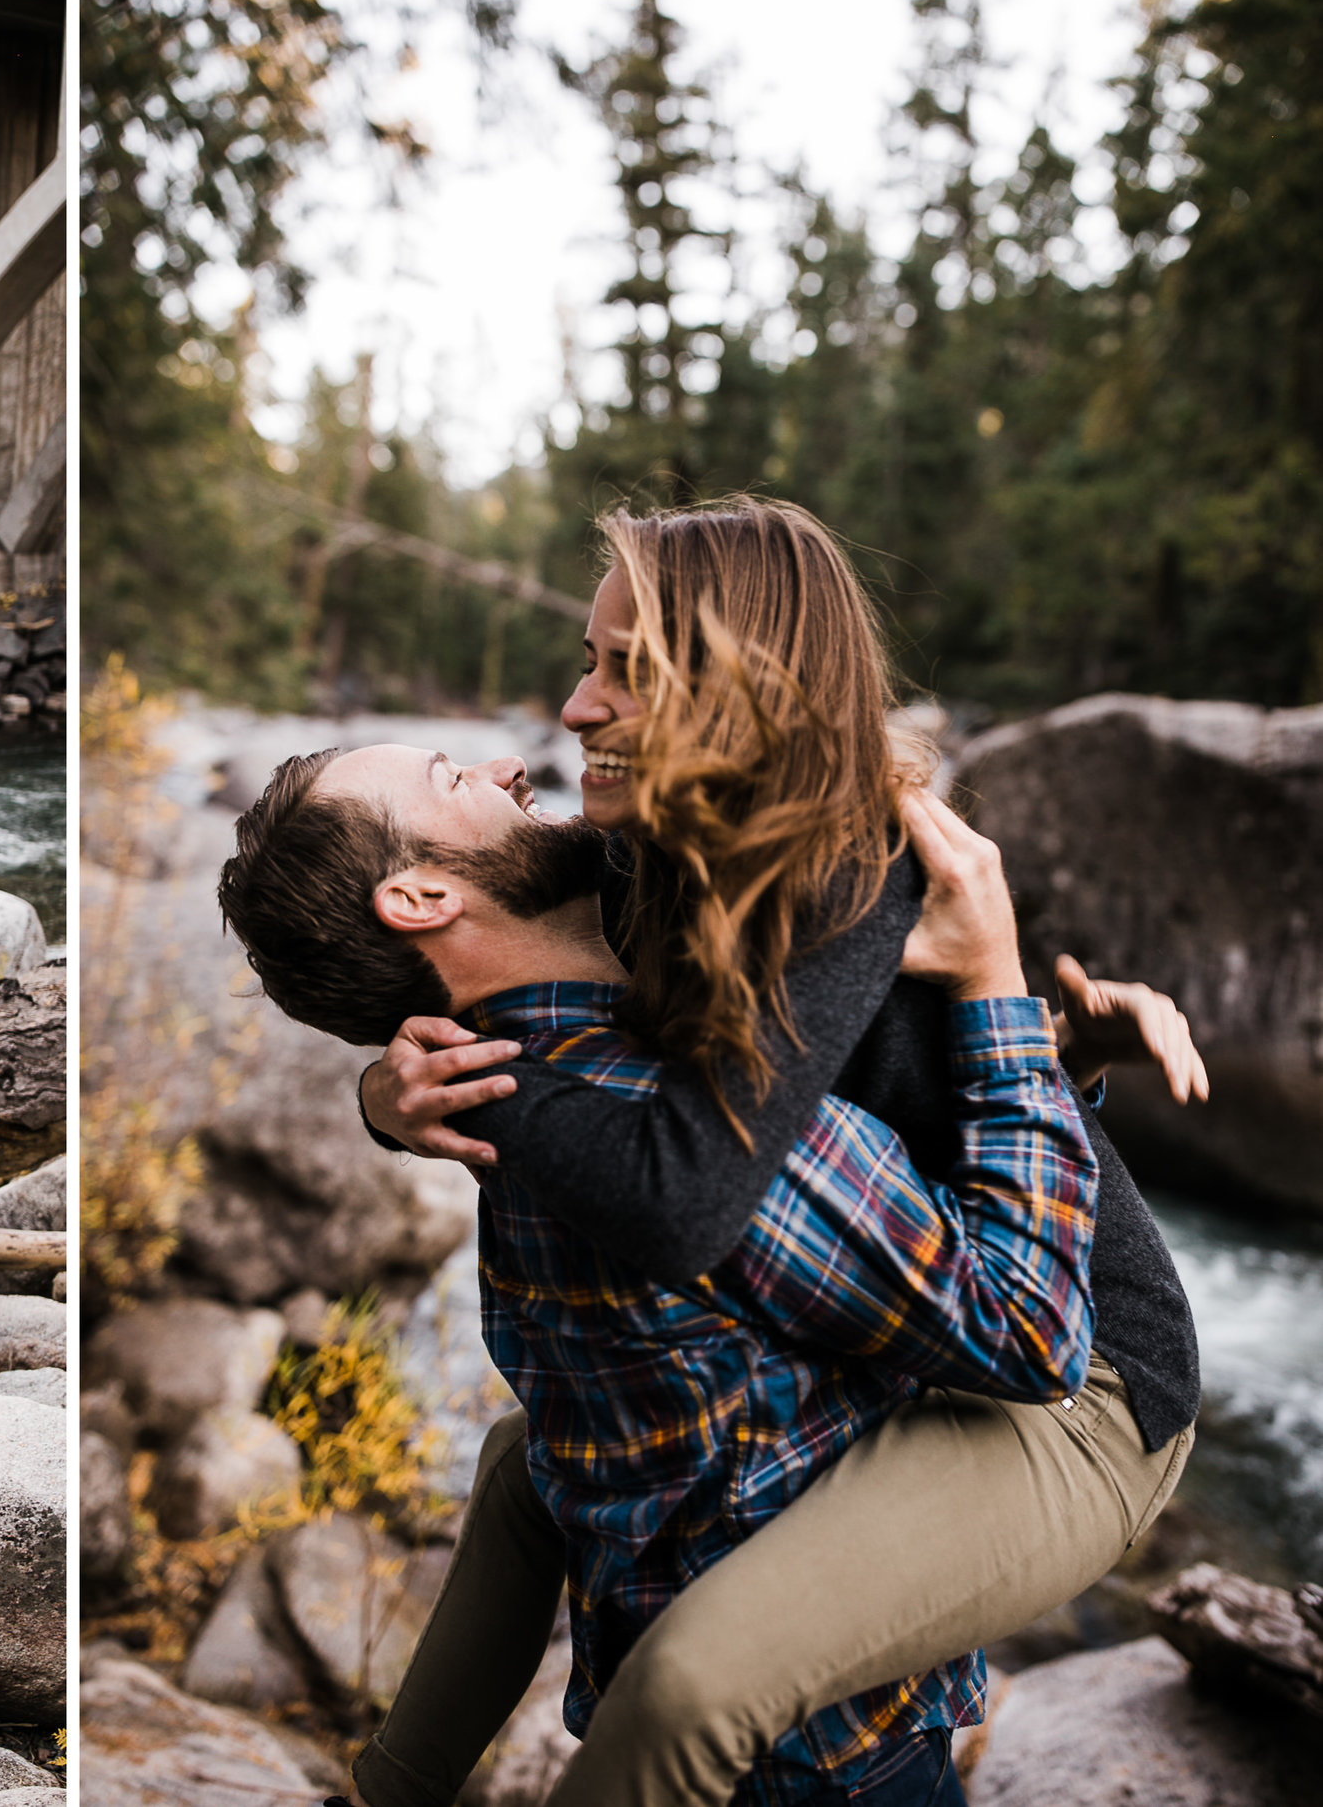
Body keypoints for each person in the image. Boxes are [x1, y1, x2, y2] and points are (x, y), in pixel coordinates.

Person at [238, 500, 1200, 1807]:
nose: (564, 717)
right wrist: (386, 1086)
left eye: (623, 667)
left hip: (1089, 1361)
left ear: (741, 683)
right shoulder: (627, 878)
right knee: (536, 1454)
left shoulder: (851, 876)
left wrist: (1002, 1003)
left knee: (688, 1677)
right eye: (591, 658)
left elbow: (693, 1193)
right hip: (956, 1270)